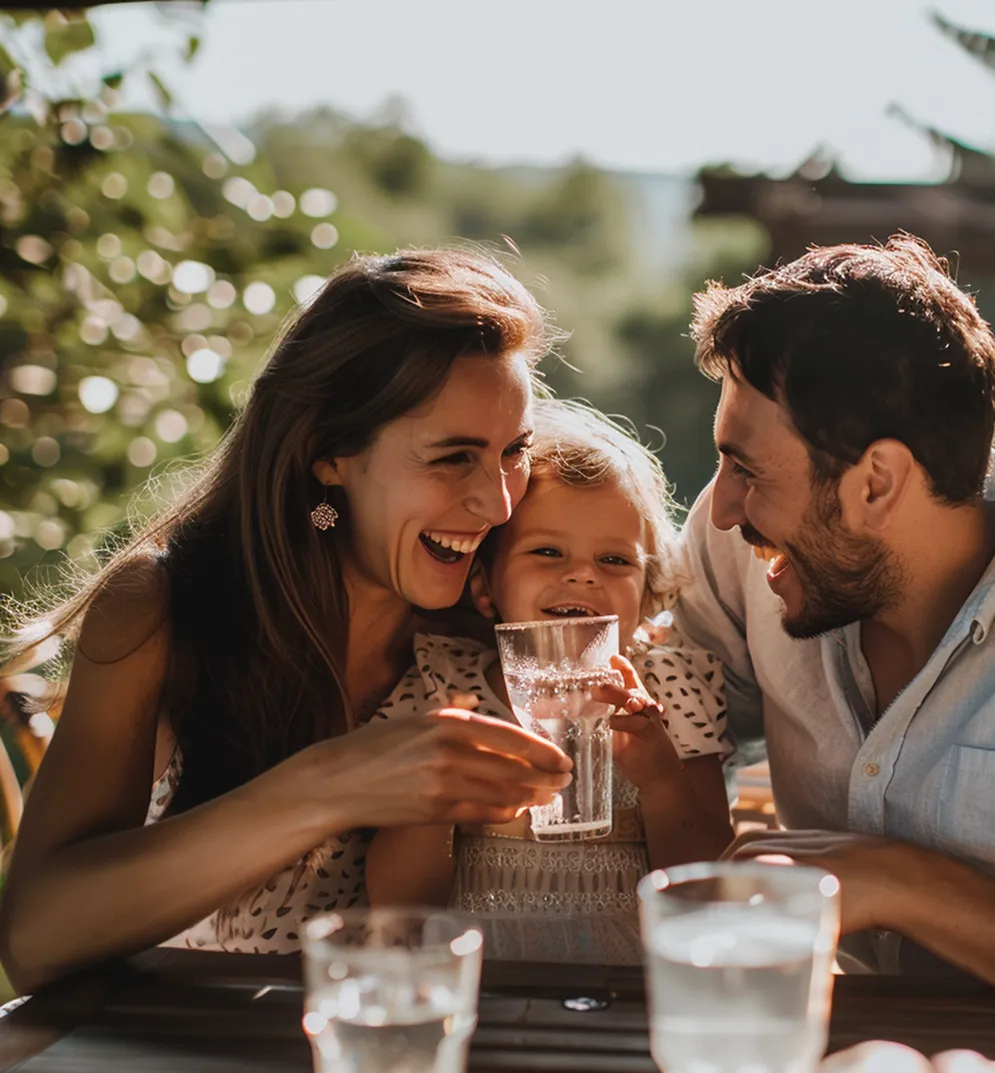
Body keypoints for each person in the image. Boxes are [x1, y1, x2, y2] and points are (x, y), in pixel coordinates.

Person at [0, 247, 578, 991]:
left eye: (514, 452)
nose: (497, 503)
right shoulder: (164, 609)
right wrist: (328, 785)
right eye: (452, 459)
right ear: (327, 453)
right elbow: (35, 939)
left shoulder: (502, 609)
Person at [674, 233, 995, 1017]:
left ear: (877, 481)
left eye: (747, 469)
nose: (721, 507)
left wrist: (904, 884)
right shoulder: (741, 551)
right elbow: (673, 757)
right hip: (824, 1069)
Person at [367, 400, 734, 963]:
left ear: (647, 591)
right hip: (485, 973)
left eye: (615, 560)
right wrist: (438, 803)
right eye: (547, 551)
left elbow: (709, 886)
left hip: (630, 978)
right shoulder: (443, 686)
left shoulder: (671, 686)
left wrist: (662, 782)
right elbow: (398, 904)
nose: (583, 573)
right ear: (485, 588)